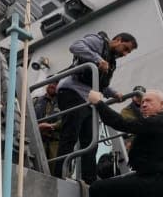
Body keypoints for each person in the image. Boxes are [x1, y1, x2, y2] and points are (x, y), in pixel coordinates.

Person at [52, 31, 137, 183]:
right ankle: (59, 174)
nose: (125, 54)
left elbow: (100, 84)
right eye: (125, 49)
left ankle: (89, 180)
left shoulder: (112, 61)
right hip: (72, 91)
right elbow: (75, 46)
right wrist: (98, 59)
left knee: (90, 141)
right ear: (117, 40)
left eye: (128, 52)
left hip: (88, 98)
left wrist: (113, 93)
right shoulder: (98, 41)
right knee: (70, 134)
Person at [33, 80, 61, 162]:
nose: (52, 85)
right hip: (38, 142)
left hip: (55, 143)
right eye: (51, 82)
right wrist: (37, 127)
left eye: (56, 83)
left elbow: (68, 119)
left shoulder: (64, 101)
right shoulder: (36, 101)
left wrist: (53, 126)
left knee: (55, 170)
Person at [119, 85, 145, 151]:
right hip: (132, 138)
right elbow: (130, 126)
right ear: (132, 97)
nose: (139, 99)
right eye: (137, 96)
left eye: (141, 96)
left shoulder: (149, 108)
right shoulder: (126, 111)